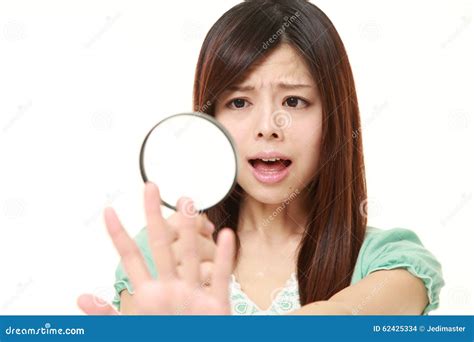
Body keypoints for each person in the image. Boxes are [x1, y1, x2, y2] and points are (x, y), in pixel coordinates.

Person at [77, 0, 444, 315]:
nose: (268, 126)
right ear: (210, 120)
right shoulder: (165, 257)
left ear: (333, 116)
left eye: (293, 101)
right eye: (239, 102)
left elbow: (341, 318)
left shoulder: (390, 260)